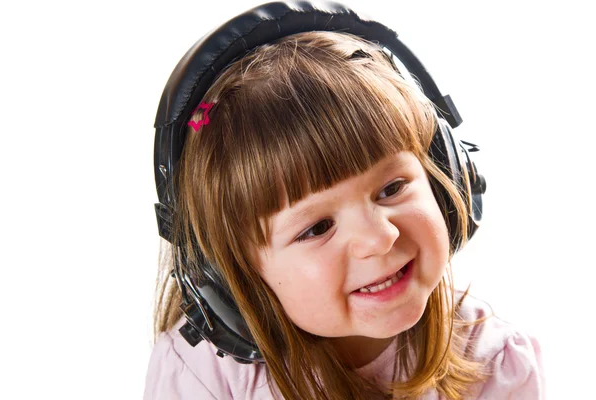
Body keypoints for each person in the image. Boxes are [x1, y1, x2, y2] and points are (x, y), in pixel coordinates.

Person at [144, 2, 545, 399]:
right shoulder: (200, 379)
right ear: (234, 277)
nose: (378, 238)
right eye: (317, 227)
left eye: (392, 189)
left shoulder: (495, 365)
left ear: (445, 177)